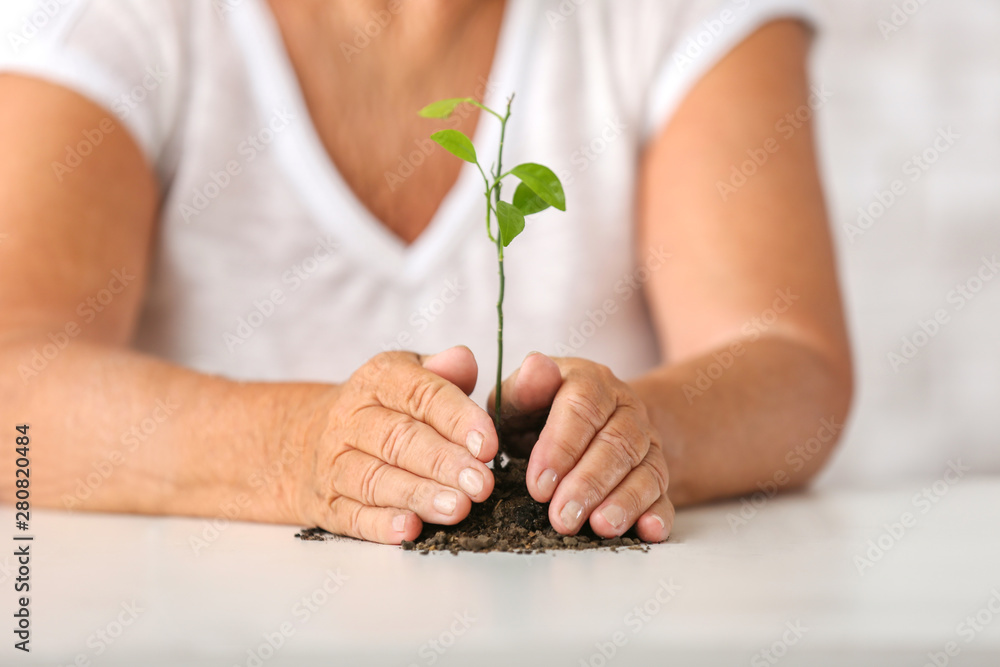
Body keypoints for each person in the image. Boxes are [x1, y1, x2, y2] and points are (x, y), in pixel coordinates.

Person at [0, 0, 852, 545]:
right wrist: (300, 449)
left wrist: (637, 435)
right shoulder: (110, 22)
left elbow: (787, 356)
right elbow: (14, 381)